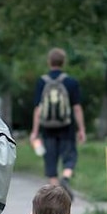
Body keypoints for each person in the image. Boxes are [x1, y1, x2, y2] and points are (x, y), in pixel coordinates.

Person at [29, 47, 87, 198]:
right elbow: (77, 108)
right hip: (67, 128)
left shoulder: (42, 82)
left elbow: (38, 109)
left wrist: (35, 132)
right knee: (70, 157)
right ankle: (66, 178)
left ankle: (57, 198)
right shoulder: (71, 82)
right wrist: (81, 129)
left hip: (47, 129)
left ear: (49, 62)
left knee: (50, 162)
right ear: (63, 62)